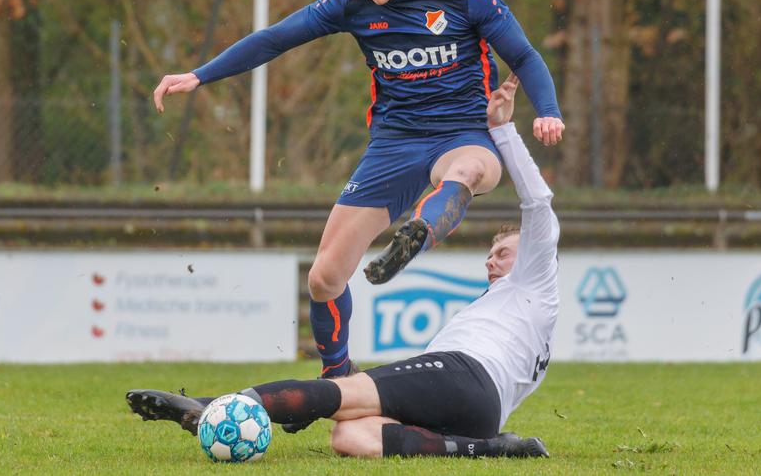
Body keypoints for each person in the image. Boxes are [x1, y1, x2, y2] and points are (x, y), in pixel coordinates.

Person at [153, 0, 565, 384]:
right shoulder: (350, 1)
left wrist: (546, 109)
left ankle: (413, 239)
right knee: (323, 278)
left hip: (463, 133)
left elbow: (525, 55)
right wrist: (199, 74)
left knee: (469, 171)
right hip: (393, 144)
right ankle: (338, 376)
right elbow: (275, 39)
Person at [128, 74, 561, 459]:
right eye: (491, 252)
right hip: (479, 411)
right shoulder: (517, 309)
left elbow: (538, 202)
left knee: (340, 393)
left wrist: (503, 131)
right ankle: (492, 448)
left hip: (462, 375)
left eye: (503, 252)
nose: (492, 258)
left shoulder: (537, 278)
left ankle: (211, 405)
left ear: (535, 254)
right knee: (351, 438)